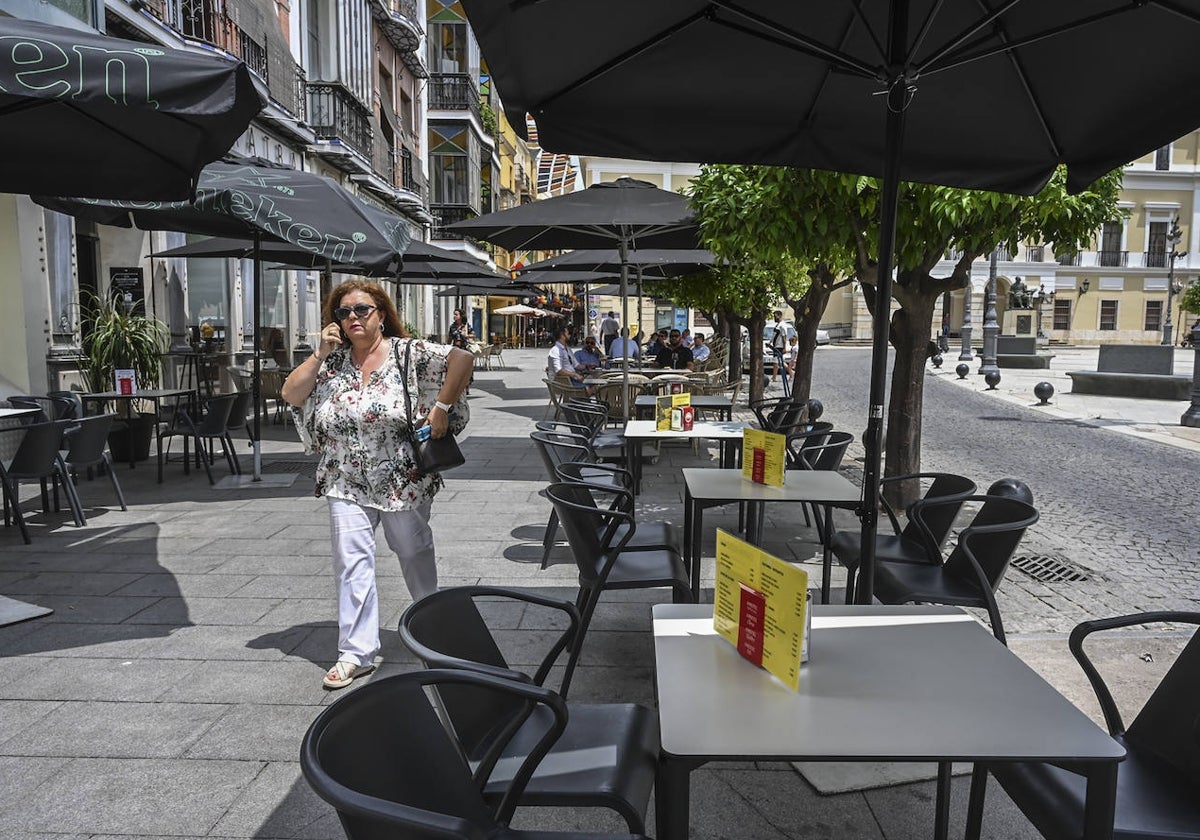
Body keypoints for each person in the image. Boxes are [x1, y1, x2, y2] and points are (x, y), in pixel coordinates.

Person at [282, 280, 473, 690]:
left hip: (401, 477)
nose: (352, 317)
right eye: (344, 312)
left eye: (362, 310)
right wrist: (319, 353)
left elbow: (462, 358)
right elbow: (291, 393)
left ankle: (431, 625)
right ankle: (356, 652)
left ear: (381, 314)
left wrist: (440, 409)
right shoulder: (331, 362)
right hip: (344, 476)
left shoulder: (409, 354)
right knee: (351, 563)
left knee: (413, 551)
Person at [547, 323, 595, 395]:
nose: (570, 335)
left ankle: (585, 402)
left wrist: (587, 366)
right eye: (568, 333)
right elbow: (559, 370)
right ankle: (583, 402)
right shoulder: (556, 350)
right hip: (564, 382)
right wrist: (575, 375)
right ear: (562, 336)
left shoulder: (567, 349)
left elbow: (576, 365)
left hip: (572, 379)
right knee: (597, 388)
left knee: (595, 383)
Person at [448, 308, 476, 394]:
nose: (454, 316)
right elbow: (449, 338)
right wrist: (446, 347)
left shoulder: (466, 326)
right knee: (455, 369)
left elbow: (473, 335)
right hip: (456, 349)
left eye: (456, 314)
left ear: (461, 316)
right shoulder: (452, 327)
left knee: (466, 369)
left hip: (465, 349)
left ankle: (466, 387)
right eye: (454, 314)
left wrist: (467, 335)